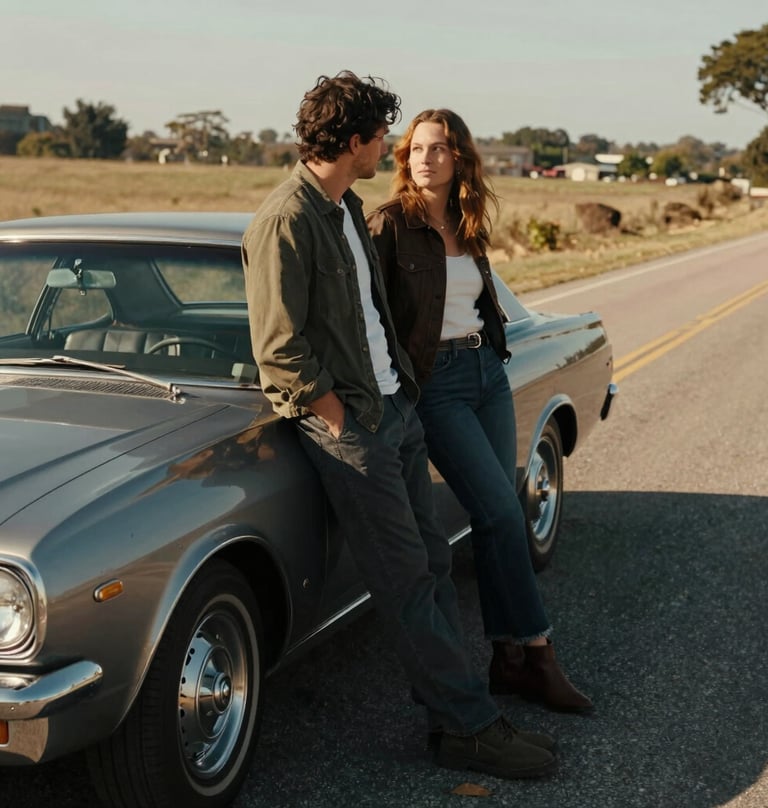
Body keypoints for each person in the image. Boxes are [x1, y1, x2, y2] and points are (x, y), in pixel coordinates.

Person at [242, 72, 557, 780]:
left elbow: (374, 317)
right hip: (354, 433)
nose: (390, 147)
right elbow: (281, 352)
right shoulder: (285, 221)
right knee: (408, 579)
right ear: (354, 140)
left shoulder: (344, 208)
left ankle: (459, 707)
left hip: (396, 409)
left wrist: (403, 400)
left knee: (437, 562)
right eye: (382, 135)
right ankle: (467, 727)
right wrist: (345, 422)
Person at [367, 108, 592, 713]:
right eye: (415, 148)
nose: (424, 158)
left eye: (438, 149)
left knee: (503, 516)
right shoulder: (387, 226)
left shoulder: (467, 222)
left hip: (485, 374)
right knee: (496, 509)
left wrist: (493, 351)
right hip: (435, 383)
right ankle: (539, 655)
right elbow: (372, 319)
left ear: (459, 158)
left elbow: (476, 302)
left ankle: (507, 660)